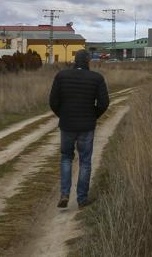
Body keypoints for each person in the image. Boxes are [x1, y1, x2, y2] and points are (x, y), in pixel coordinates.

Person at [48, 49, 110, 208]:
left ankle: (64, 194)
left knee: (66, 158)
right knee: (85, 161)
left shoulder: (61, 76)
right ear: (88, 61)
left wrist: (63, 114)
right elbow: (104, 103)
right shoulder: (97, 78)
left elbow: (53, 101)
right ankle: (82, 199)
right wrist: (93, 115)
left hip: (67, 124)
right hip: (87, 126)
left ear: (75, 60)